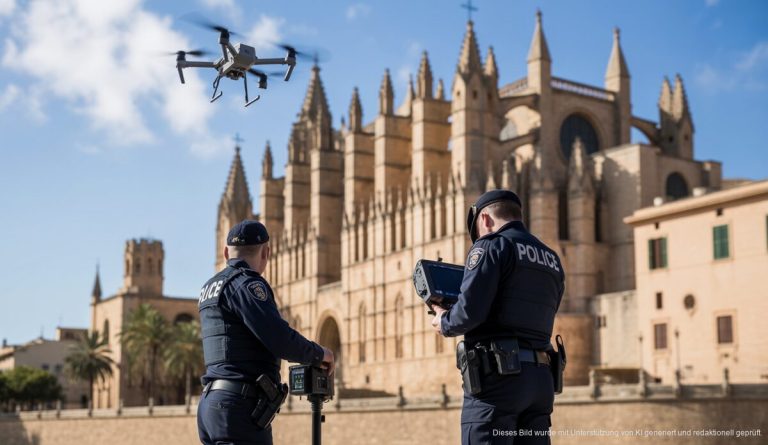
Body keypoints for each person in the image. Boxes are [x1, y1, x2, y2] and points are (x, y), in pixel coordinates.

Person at [431, 190, 565, 445]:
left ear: (484, 219)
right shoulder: (552, 259)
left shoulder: (491, 246)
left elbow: (469, 312)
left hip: (499, 382)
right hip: (541, 382)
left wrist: (444, 321)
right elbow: (548, 308)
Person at [197, 220, 334, 445]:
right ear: (265, 253)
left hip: (210, 406)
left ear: (225, 253)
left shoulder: (209, 288)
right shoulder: (247, 285)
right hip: (238, 407)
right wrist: (320, 354)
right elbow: (279, 338)